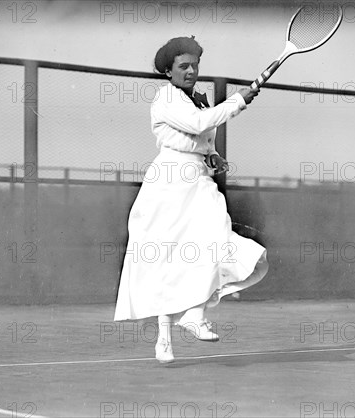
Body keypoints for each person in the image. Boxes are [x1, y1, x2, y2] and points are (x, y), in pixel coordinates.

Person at [114, 36, 268, 363]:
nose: (192, 71)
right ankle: (164, 337)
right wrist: (238, 100)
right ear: (168, 72)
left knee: (215, 238)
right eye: (184, 66)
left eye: (195, 65)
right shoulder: (165, 98)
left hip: (198, 178)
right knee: (167, 258)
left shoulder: (197, 100)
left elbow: (200, 136)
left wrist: (211, 155)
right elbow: (198, 124)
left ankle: (194, 314)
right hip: (168, 182)